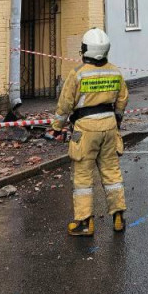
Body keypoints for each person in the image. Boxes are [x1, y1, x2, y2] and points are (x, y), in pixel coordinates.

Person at [51, 28, 129, 235]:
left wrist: (55, 128)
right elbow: (122, 99)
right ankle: (118, 215)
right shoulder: (115, 72)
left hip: (85, 129)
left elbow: (65, 104)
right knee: (112, 172)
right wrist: (117, 119)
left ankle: (85, 223)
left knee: (83, 177)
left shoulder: (78, 74)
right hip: (110, 125)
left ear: (85, 49)